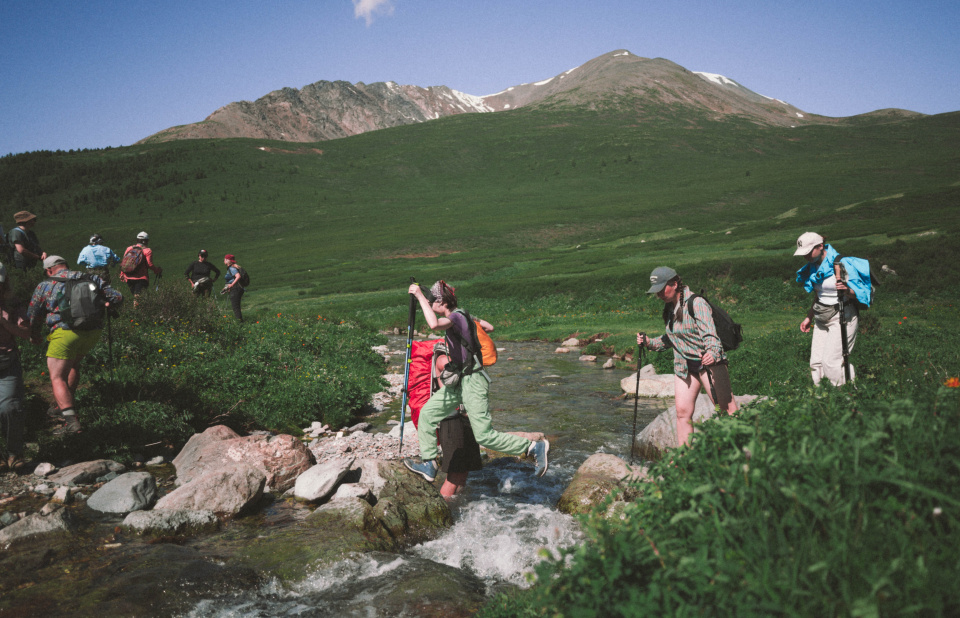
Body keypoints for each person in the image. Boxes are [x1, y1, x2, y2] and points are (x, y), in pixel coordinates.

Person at [403, 280, 549, 482]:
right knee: (428, 414)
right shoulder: (462, 316)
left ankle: (532, 447)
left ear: (442, 301)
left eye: (431, 300)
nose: (430, 303)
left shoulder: (455, 317)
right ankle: (429, 463)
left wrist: (419, 296)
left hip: (473, 380)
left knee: (484, 436)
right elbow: (488, 327)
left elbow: (434, 324)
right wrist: (472, 321)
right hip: (459, 381)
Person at [638, 267, 738, 448]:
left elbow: (710, 335)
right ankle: (685, 457)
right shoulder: (669, 308)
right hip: (684, 366)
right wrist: (648, 342)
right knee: (682, 413)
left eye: (662, 289)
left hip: (708, 364)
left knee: (727, 410)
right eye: (656, 291)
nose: (658, 294)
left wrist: (713, 353)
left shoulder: (696, 303)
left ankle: (742, 453)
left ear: (674, 284)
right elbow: (671, 339)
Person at [28, 255, 123, 434]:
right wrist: (106, 304)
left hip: (65, 333)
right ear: (66, 265)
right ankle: (63, 404)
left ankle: (71, 422)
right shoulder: (92, 278)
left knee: (57, 377)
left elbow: (34, 314)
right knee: (72, 365)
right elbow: (118, 297)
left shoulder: (46, 285)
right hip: (93, 332)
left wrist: (34, 335)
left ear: (49, 270)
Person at [794, 232, 861, 386]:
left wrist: (847, 291)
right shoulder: (813, 267)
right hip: (821, 316)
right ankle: (821, 398)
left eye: (808, 252)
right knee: (816, 362)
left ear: (820, 246)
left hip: (842, 316)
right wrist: (809, 317)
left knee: (831, 361)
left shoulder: (841, 263)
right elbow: (819, 295)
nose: (806, 257)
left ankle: (844, 395)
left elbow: (860, 294)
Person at [0, 263, 32, 471]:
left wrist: (4, 323)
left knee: (9, 407)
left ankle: (14, 452)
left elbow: (26, 332)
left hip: (7, 361)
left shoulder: (13, 304)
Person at [118, 231, 162, 298]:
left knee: (136, 296)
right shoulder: (147, 250)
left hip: (128, 277)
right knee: (138, 297)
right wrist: (157, 270)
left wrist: (122, 273)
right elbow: (149, 264)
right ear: (146, 241)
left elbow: (124, 262)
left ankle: (136, 308)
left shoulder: (129, 248)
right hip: (141, 278)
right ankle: (136, 308)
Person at [222, 254, 245, 321]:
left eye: (224, 259)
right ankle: (240, 321)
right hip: (237, 288)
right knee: (236, 306)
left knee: (235, 307)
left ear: (227, 260)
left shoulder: (232, 268)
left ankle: (240, 323)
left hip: (236, 288)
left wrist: (232, 285)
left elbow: (238, 276)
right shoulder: (234, 267)